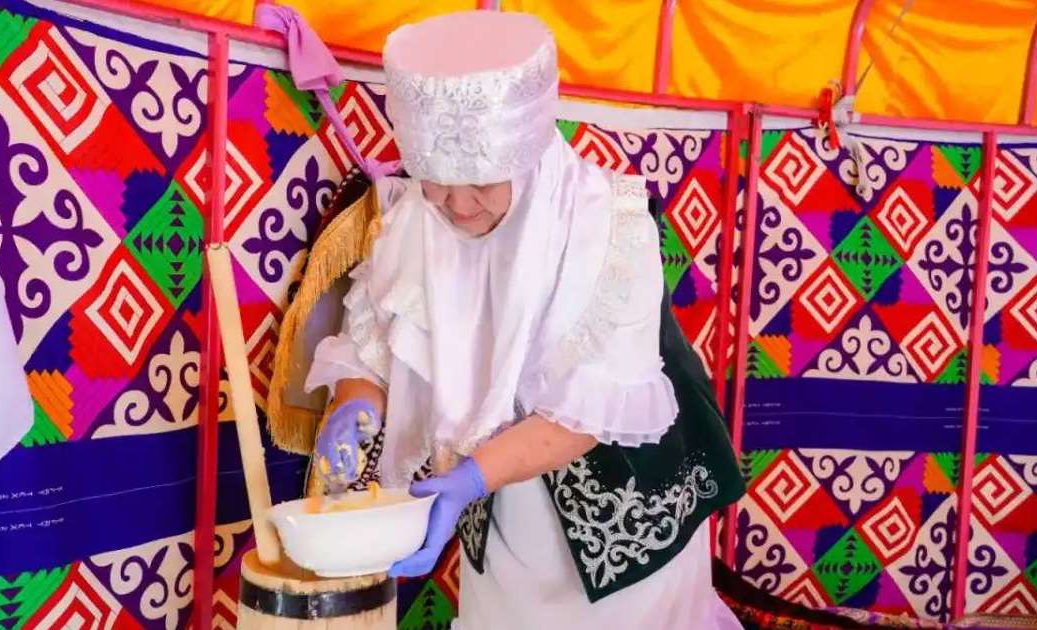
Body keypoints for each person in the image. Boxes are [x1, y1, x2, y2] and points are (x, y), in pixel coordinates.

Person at [304, 10, 746, 629]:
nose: (457, 206)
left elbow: (586, 417)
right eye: (436, 180)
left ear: (527, 153)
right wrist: (357, 404)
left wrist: (466, 482)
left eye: (481, 180)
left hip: (627, 521)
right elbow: (377, 341)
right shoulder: (415, 223)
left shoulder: (609, 225)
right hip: (505, 518)